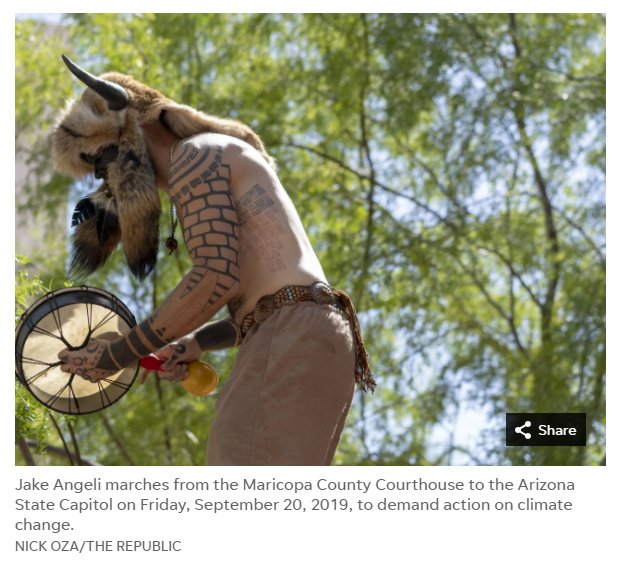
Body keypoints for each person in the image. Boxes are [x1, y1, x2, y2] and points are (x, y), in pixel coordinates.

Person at [53, 55, 374, 465]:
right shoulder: (214, 157)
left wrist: (118, 354)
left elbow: (216, 277)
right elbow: (263, 294)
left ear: (131, 130)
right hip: (310, 333)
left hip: (293, 330)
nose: (104, 178)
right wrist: (198, 340)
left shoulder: (194, 156)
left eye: (101, 160)